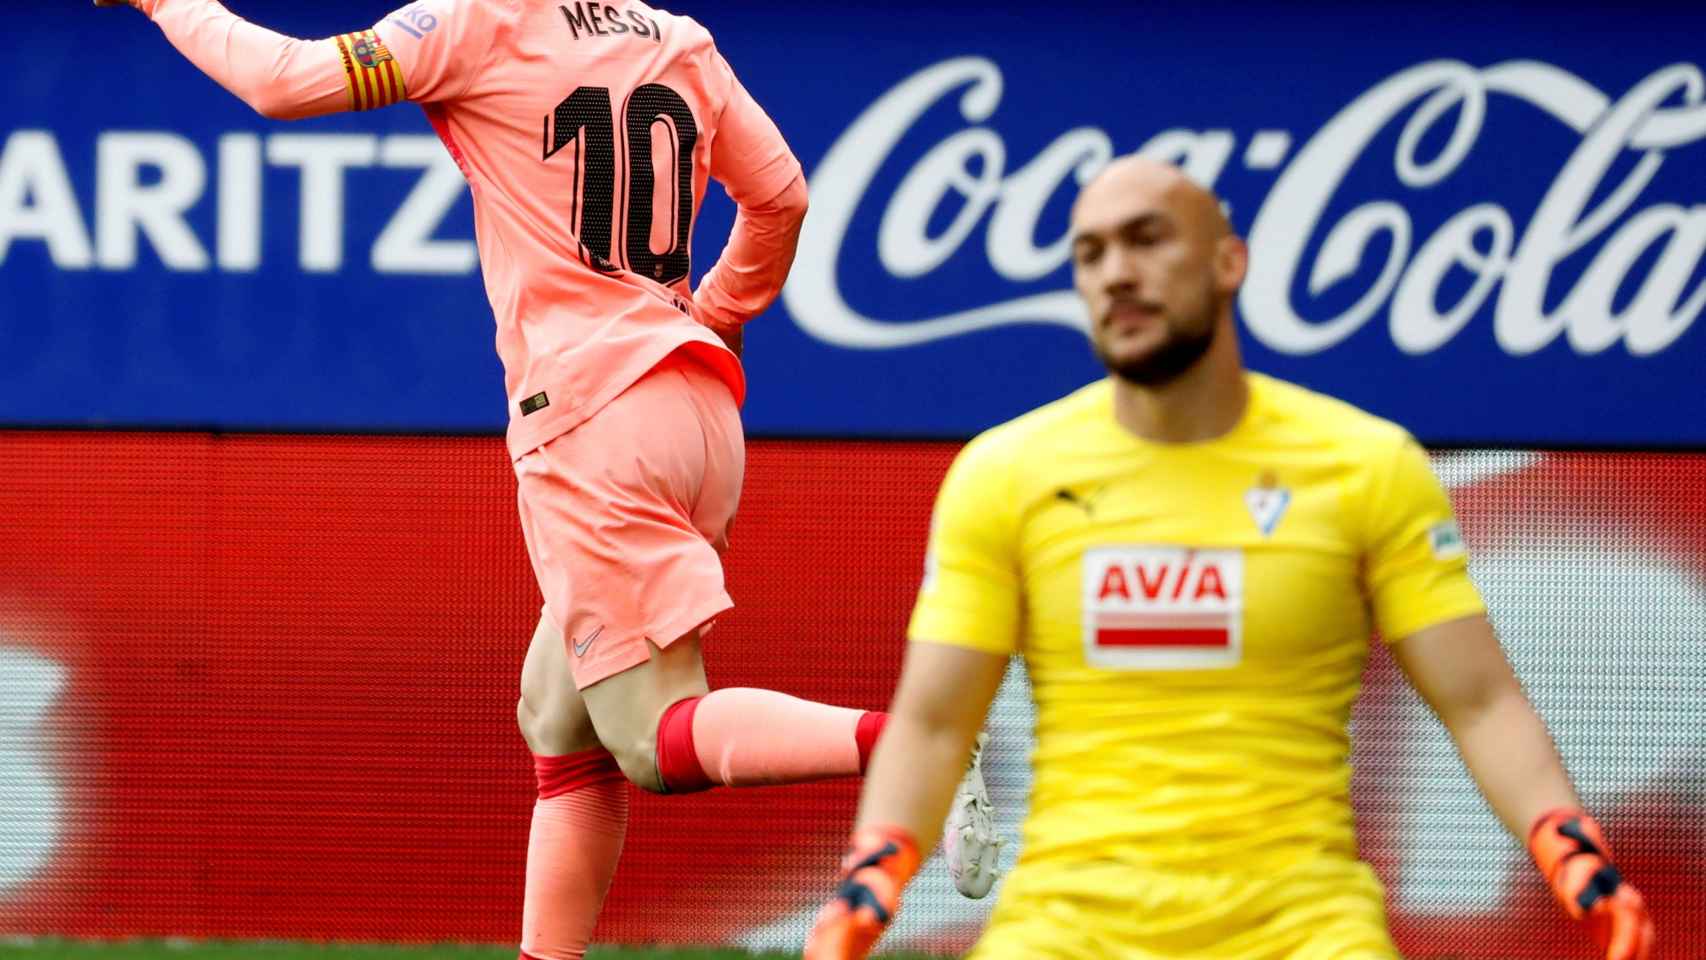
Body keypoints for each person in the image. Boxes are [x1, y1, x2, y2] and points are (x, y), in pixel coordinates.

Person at [96, 1, 996, 957]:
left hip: (592, 419)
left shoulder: (475, 21)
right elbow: (781, 198)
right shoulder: (675, 37)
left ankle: (909, 745)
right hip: (694, 405)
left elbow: (282, 80)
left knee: (650, 740)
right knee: (558, 719)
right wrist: (719, 316)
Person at [803, 155, 1656, 960]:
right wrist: (871, 873)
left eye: (1147, 239)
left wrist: (1566, 844)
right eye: (1090, 254)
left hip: (1305, 925)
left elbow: (1480, 704)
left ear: (1228, 262)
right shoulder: (1004, 475)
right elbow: (934, 721)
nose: (1116, 274)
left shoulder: (1368, 466)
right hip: (1066, 925)